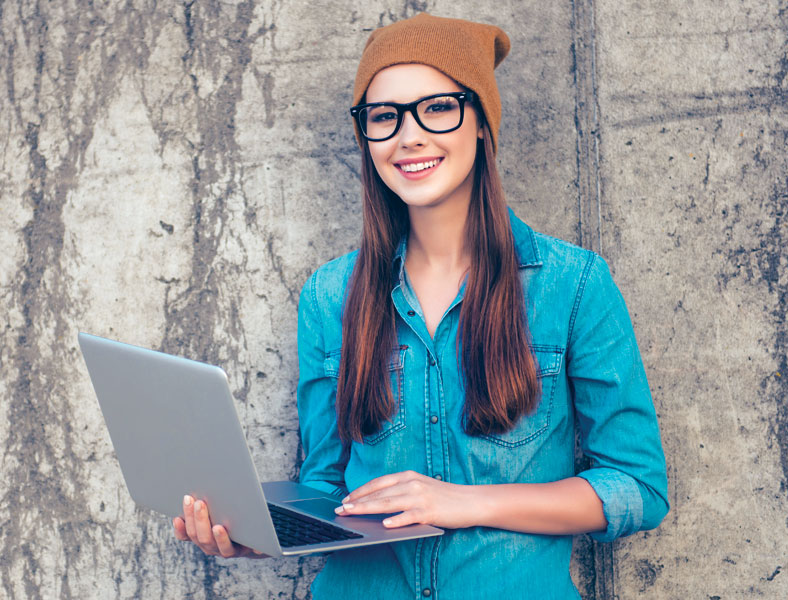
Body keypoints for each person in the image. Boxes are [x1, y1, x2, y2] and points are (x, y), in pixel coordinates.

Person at [173, 13, 669, 599]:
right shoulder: (329, 296)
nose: (408, 137)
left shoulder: (575, 284)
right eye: (384, 117)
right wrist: (263, 533)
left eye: (436, 108)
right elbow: (327, 489)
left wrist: (463, 502)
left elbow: (637, 488)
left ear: (481, 122)